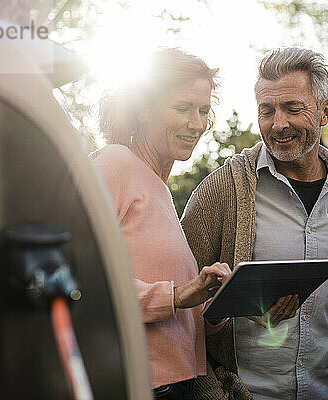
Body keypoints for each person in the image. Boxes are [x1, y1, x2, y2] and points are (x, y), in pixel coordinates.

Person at [182, 47, 328, 399]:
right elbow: (178, 304)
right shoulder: (221, 191)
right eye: (266, 110)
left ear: (325, 111)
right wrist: (228, 309)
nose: (278, 124)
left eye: (293, 108)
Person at [91, 48, 231, 400]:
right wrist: (175, 294)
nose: (196, 123)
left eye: (202, 110)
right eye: (182, 108)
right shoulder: (114, 163)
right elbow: (84, 276)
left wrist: (215, 305)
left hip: (177, 385)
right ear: (143, 109)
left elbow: (176, 315)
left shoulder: (161, 190)